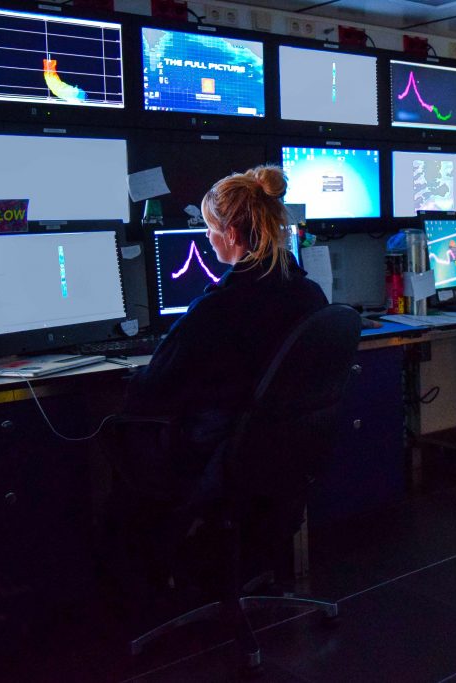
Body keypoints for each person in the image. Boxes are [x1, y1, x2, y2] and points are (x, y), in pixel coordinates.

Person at [123, 164, 328, 495]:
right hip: (287, 457)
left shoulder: (216, 309)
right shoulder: (310, 294)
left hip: (222, 456)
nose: (206, 235)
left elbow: (148, 392)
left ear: (231, 233)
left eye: (209, 227)